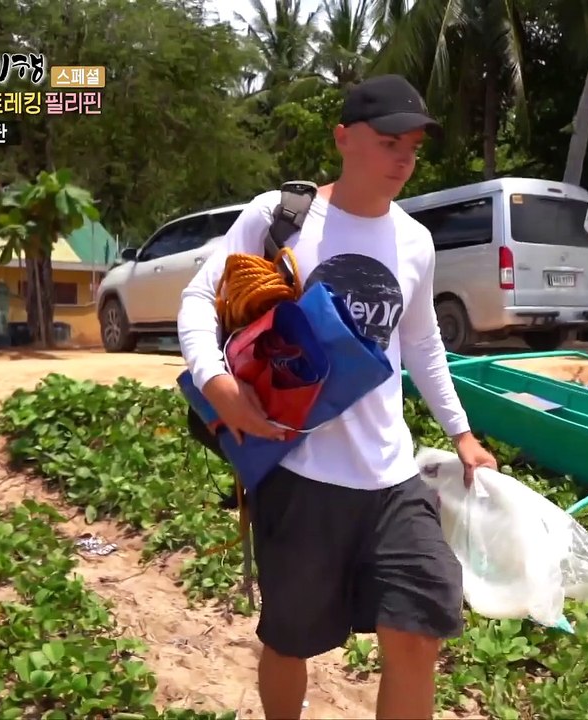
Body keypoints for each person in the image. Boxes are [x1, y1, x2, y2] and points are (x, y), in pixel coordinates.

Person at [176, 74, 497, 720]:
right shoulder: (281, 217)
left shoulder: (415, 242)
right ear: (344, 138)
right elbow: (196, 301)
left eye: (412, 148)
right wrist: (221, 389)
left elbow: (423, 343)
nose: (403, 161)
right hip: (299, 471)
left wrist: (461, 433)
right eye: (387, 144)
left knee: (418, 630)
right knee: (289, 640)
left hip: (391, 477)